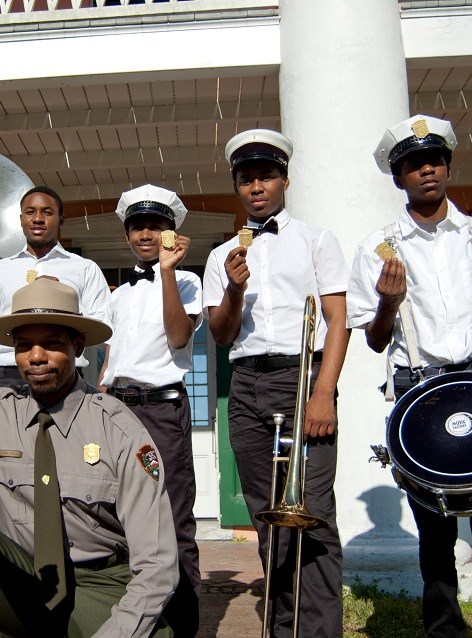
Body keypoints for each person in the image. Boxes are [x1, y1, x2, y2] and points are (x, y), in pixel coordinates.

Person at [347, 114, 472, 638]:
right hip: (421, 396)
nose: (426, 171)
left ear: (448, 167)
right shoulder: (378, 246)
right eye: (413, 164)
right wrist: (388, 302)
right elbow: (372, 338)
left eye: (434, 160)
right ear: (398, 178)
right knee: (433, 531)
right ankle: (444, 628)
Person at [0, 277, 178, 638]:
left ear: (77, 345)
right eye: (25, 344)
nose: (36, 357)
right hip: (17, 580)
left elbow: (158, 564)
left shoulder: (119, 429)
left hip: (97, 586)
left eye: (51, 344)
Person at [203, 129, 350, 637]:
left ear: (284, 180)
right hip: (245, 383)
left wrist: (324, 392)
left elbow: (337, 319)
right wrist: (234, 291)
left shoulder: (316, 239)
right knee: (272, 516)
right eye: (246, 179)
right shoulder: (221, 255)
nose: (256, 186)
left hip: (301, 376)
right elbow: (222, 336)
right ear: (237, 188)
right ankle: (283, 625)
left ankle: (319, 630)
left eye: (265, 176)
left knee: (316, 512)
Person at [98, 183, 202, 637]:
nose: (146, 233)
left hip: (160, 411)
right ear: (127, 236)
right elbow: (112, 359)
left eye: (156, 226)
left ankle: (183, 627)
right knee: (116, 516)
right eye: (138, 226)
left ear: (170, 234)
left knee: (172, 518)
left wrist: (166, 273)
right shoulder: (116, 296)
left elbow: (179, 338)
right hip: (116, 410)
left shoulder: (187, 282)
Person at [0, 186, 110, 405]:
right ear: (20, 219)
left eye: (47, 212)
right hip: (9, 379)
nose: (38, 218)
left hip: (65, 378)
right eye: (30, 212)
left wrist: (64, 303)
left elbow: (102, 327)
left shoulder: (85, 268)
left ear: (61, 220)